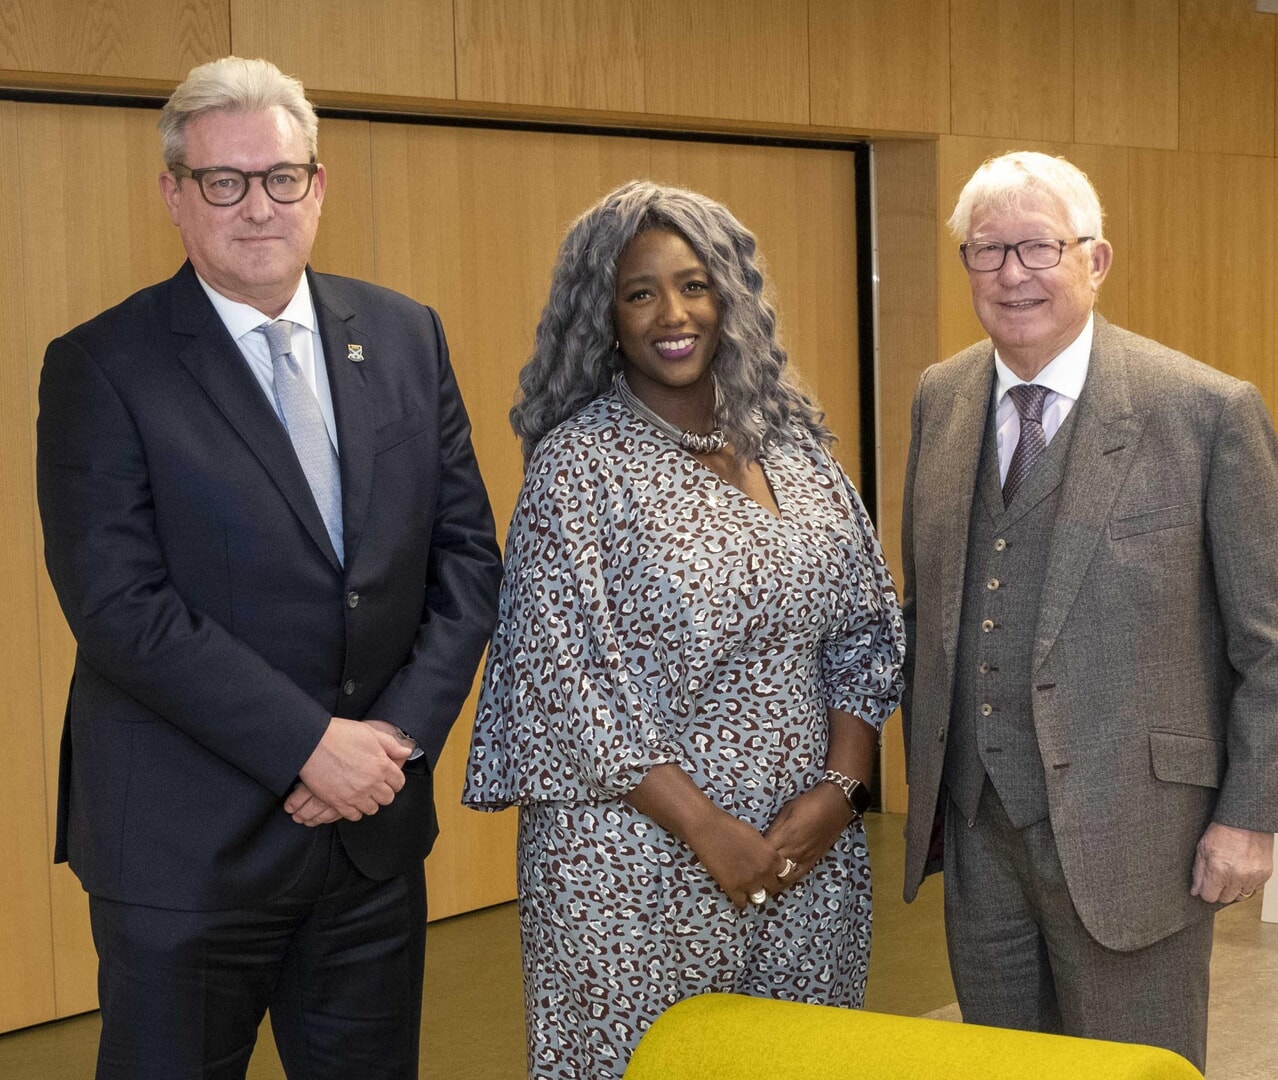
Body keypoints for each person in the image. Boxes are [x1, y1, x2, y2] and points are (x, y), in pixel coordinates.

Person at [35, 57, 501, 1079]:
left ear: (318, 186)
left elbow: (467, 564)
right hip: (184, 849)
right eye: (223, 181)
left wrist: (386, 744)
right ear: (175, 194)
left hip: (368, 843)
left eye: (281, 177)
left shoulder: (406, 337)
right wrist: (308, 746)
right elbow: (121, 608)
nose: (258, 206)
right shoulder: (103, 366)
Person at [464, 181, 903, 1080]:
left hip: (805, 856)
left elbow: (865, 630)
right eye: (640, 292)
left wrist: (840, 794)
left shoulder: (797, 451)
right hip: (635, 868)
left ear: (731, 297)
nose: (674, 313)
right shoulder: (578, 469)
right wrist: (710, 831)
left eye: (696, 285)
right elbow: (565, 687)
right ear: (605, 316)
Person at [898, 151, 1278, 1070]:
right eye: (988, 250)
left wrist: (1249, 815)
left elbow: (1277, 636)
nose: (1014, 274)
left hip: (1140, 838)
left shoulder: (1205, 412)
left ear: (1097, 261)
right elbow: (928, 607)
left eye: (1040, 247)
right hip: (979, 837)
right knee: (1005, 1065)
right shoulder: (942, 397)